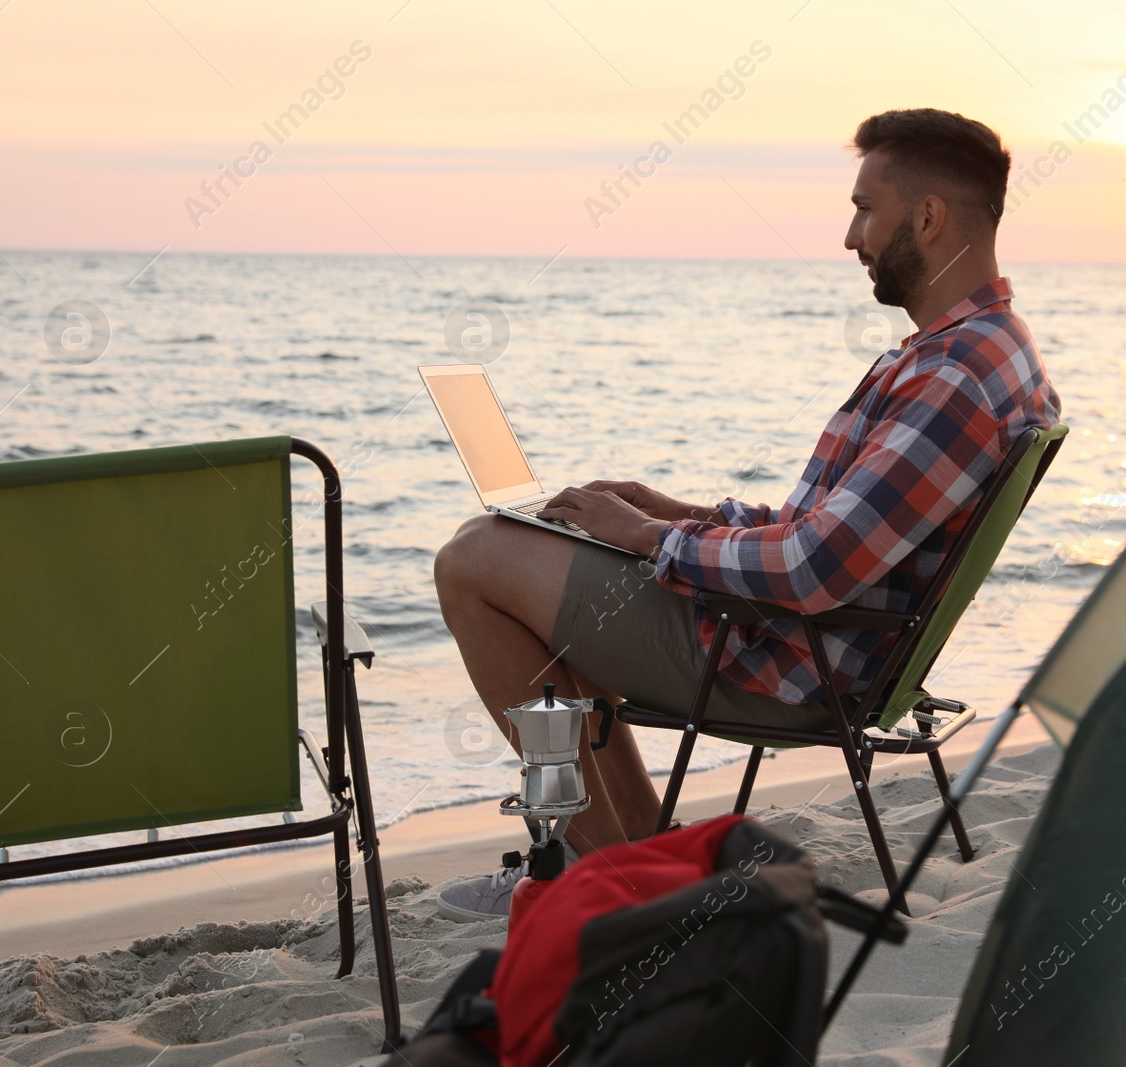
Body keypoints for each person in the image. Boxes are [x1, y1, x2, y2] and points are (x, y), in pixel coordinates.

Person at [433, 108, 1062, 921]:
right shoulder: (984, 351)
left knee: (474, 561)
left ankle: (595, 881)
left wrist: (652, 538)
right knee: (520, 554)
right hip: (818, 639)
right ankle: (630, 860)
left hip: (784, 658)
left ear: (930, 217)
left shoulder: (952, 377)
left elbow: (813, 567)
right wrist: (681, 512)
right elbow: (831, 525)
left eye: (866, 208)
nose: (849, 236)